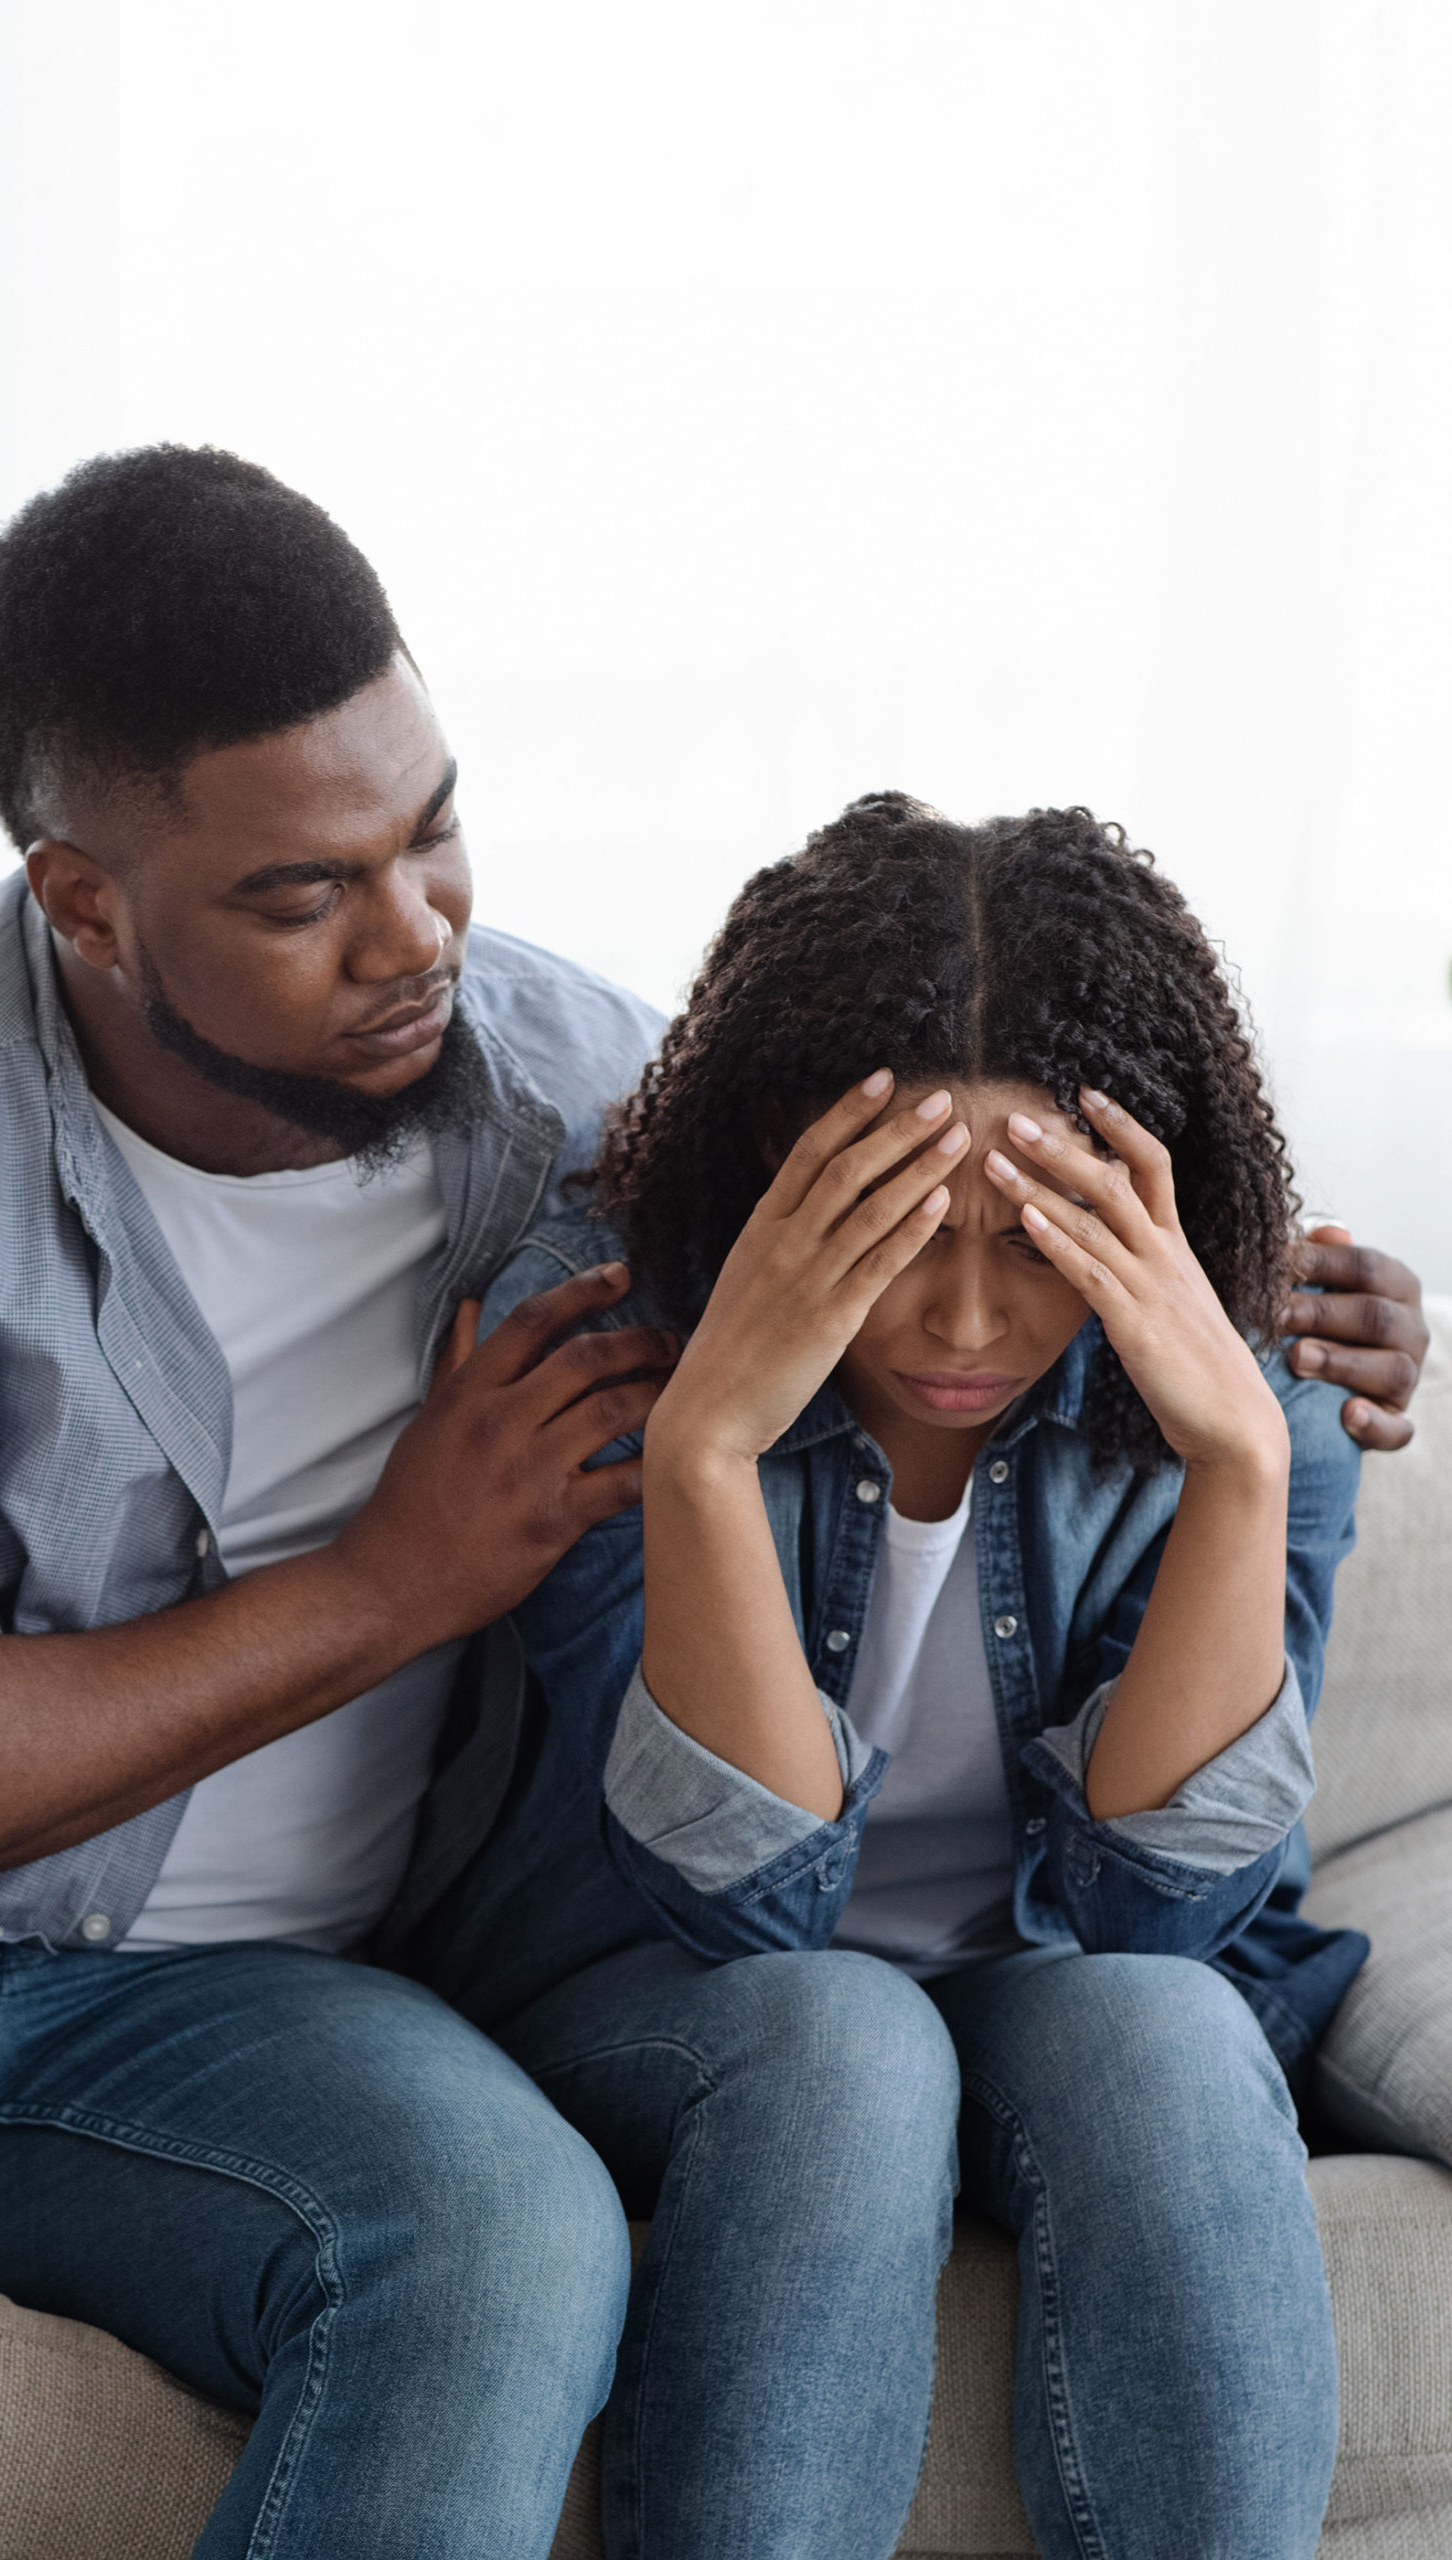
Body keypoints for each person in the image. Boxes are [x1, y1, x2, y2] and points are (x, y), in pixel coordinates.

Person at [0, 450, 1427, 2559]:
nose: (415, 934)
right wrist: (390, 1580)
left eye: (432, 836)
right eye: (302, 891)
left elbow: (934, 1152)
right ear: (83, 898)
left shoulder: (573, 1102)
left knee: (513, 2243)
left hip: (250, 2009)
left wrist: (1287, 1324)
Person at [405, 795, 1390, 2560]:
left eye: (1032, 1245)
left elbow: (1166, 1912)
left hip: (1068, 1987)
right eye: (892, 1234)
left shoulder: (1255, 1368)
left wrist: (1240, 1460)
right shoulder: (598, 1328)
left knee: (1172, 2026)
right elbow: (742, 1902)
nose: (959, 1326)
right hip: (666, 1989)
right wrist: (710, 1444)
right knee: (845, 2034)